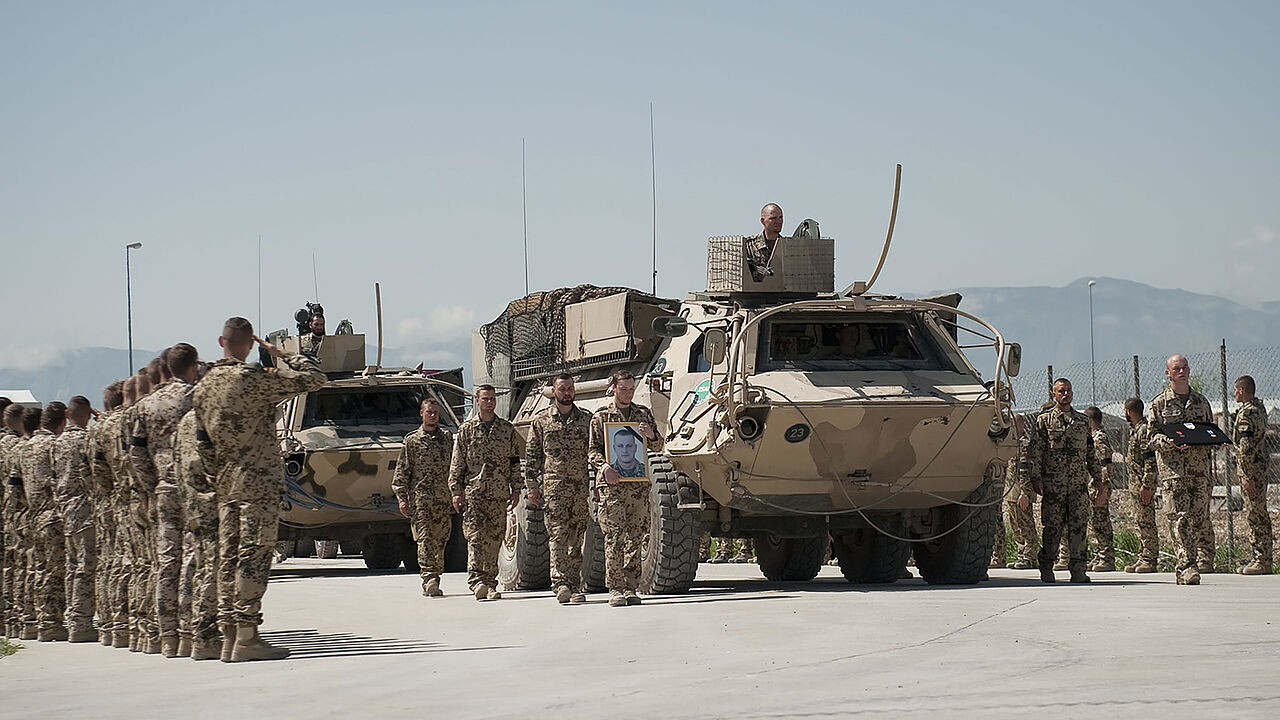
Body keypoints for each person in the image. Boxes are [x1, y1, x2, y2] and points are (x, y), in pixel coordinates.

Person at [192, 317, 326, 662]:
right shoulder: (253, 380)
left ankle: (229, 638)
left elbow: (202, 444)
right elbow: (314, 378)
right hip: (258, 485)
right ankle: (247, 638)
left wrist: (218, 475)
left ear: (221, 342)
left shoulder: (204, 387)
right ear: (250, 344)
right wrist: (281, 353)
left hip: (225, 485)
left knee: (229, 558)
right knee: (253, 558)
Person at [129, 342, 199, 658]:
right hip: (193, 488)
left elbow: (137, 453)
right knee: (193, 558)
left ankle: (166, 637)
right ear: (192, 366)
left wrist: (151, 485)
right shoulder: (195, 398)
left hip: (163, 489)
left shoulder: (146, 406)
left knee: (167, 560)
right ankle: (188, 632)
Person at [589, 370, 665, 607]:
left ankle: (631, 587)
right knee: (614, 537)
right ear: (613, 388)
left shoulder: (643, 414)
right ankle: (615, 588)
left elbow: (659, 445)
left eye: (631, 389)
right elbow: (592, 450)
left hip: (638, 488)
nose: (628, 393)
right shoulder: (601, 417)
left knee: (635, 537)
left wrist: (651, 435)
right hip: (612, 486)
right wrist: (604, 468)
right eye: (623, 389)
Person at [447, 384, 522, 602]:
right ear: (477, 401)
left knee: (495, 538)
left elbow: (514, 462)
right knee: (476, 538)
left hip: (499, 494)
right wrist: (456, 491)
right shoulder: (467, 430)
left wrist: (516, 489)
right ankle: (476, 580)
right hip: (474, 494)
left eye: (492, 399)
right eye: (485, 399)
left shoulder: (506, 429)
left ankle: (490, 582)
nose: (489, 402)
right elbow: (457, 462)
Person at [525, 374, 592, 605]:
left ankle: (574, 585)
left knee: (576, 538)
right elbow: (532, 458)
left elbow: (595, 450)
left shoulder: (586, 420)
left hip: (580, 489)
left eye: (570, 388)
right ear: (554, 392)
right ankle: (561, 583)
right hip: (554, 489)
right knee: (557, 536)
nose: (567, 393)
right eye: (562, 389)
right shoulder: (541, 421)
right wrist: (532, 488)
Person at [1148, 354, 1215, 585]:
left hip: (1199, 471)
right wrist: (1169, 443)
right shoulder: (1159, 404)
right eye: (1176, 368)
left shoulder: (1201, 401)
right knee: (1179, 518)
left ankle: (1189, 563)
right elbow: (1151, 437)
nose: (1182, 371)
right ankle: (1187, 567)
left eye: (1185, 367)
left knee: (1197, 519)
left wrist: (1216, 440)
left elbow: (1209, 429)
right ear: (1168, 373)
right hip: (1173, 472)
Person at [1029, 379, 1098, 584]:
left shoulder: (1082, 421)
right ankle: (1047, 566)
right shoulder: (1045, 421)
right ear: (1054, 395)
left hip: (1078, 486)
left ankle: (1078, 570)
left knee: (1079, 528)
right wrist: (1035, 478)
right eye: (1061, 391)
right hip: (1054, 486)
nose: (1065, 394)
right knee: (1052, 528)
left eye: (1068, 391)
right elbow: (1036, 452)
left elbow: (1091, 453)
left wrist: (1098, 479)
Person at [391, 397, 455, 598]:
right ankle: (429, 578)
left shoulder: (447, 439)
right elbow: (402, 471)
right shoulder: (412, 441)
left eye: (436, 413)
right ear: (422, 413)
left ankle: (436, 573)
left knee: (441, 539)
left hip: (443, 500)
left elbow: (456, 467)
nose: (433, 416)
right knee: (425, 539)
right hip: (421, 500)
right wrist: (402, 497)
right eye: (429, 412)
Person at [16, 402, 68, 641]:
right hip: (53, 515)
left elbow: (14, 488)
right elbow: (62, 481)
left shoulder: (23, 448)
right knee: (55, 572)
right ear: (62, 421)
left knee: (38, 570)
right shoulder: (54, 445)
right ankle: (50, 624)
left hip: (32, 515)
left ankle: (35, 621)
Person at [174, 409, 221, 659]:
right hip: (208, 500)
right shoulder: (206, 417)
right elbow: (212, 458)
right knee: (211, 568)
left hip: (191, 500)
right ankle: (205, 636)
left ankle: (186, 634)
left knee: (193, 565)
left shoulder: (184, 422)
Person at [51, 396, 97, 642]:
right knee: (86, 567)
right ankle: (81, 624)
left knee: (72, 566)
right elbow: (91, 474)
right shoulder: (85, 439)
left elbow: (53, 478)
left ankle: (73, 619)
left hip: (66, 508)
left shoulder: (57, 443)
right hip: (84, 507)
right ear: (87, 414)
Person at [1231, 375, 1271, 575]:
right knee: (1259, 513)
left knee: (1255, 515)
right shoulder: (1260, 409)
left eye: (1236, 389)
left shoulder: (1247, 414)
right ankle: (1261, 558)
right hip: (1260, 468)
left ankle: (1261, 560)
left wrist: (1247, 476)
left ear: (1242, 390)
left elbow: (1246, 447)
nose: (1235, 393)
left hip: (1252, 471)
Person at [1122, 398, 1160, 573]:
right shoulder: (1136, 430)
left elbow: (1150, 460)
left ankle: (1150, 559)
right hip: (1136, 484)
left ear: (1128, 411)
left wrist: (1147, 485)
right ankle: (1143, 555)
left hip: (1142, 485)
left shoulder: (1143, 431)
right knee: (1140, 521)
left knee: (1146, 522)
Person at [1, 402, 27, 638]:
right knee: (19, 565)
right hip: (15, 511)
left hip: (6, 510)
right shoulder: (17, 445)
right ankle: (17, 619)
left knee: (8, 567)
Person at [1083, 406, 1116, 572]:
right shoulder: (1092, 438)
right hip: (1094, 486)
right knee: (1096, 522)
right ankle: (1099, 555)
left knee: (1101, 522)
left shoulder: (1099, 438)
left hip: (1100, 487)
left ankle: (1107, 557)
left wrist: (1102, 488)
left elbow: (1104, 466)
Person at [746, 203, 784, 282]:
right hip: (755, 292)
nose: (778, 221)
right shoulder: (749, 245)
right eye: (773, 218)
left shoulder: (786, 246)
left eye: (780, 217)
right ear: (763, 221)